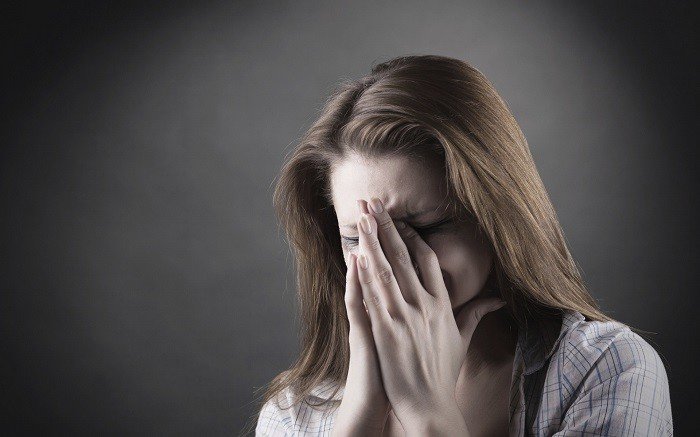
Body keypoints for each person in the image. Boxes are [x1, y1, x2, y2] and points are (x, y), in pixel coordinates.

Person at [251, 55, 673, 436]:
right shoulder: (294, 416)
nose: (391, 263)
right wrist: (360, 418)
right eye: (357, 238)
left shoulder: (606, 372)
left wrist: (427, 410)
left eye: (428, 228)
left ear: (496, 217)